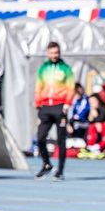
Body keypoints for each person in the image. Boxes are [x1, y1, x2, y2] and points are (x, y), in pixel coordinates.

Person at [34, 42, 75, 181]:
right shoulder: (43, 68)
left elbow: (70, 87)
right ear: (47, 53)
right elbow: (38, 87)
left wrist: (67, 104)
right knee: (40, 137)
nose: (54, 55)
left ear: (59, 53)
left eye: (56, 52)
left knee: (61, 140)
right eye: (51, 53)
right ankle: (47, 164)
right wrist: (38, 104)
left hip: (60, 106)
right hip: (45, 107)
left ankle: (60, 171)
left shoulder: (65, 68)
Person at [79, 93, 105, 159]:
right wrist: (92, 110)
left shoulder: (104, 108)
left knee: (97, 126)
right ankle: (90, 147)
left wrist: (95, 113)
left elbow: (101, 120)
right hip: (96, 130)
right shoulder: (92, 109)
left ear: (98, 100)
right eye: (90, 102)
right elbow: (90, 120)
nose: (92, 103)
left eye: (93, 101)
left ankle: (96, 148)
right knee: (91, 127)